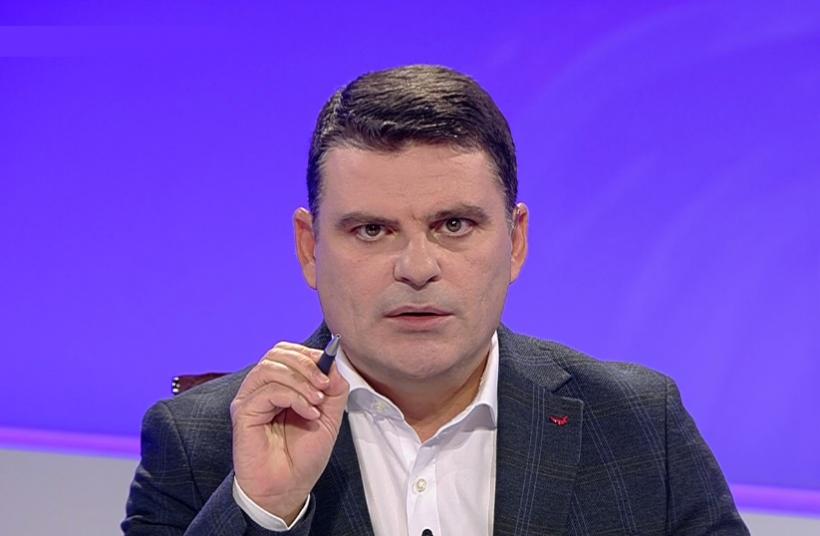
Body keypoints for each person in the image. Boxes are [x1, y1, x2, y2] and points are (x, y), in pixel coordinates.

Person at [122, 65, 749, 535]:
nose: (417, 269)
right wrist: (264, 511)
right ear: (310, 249)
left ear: (516, 241)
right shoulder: (200, 444)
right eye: (372, 230)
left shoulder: (638, 423)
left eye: (454, 225)